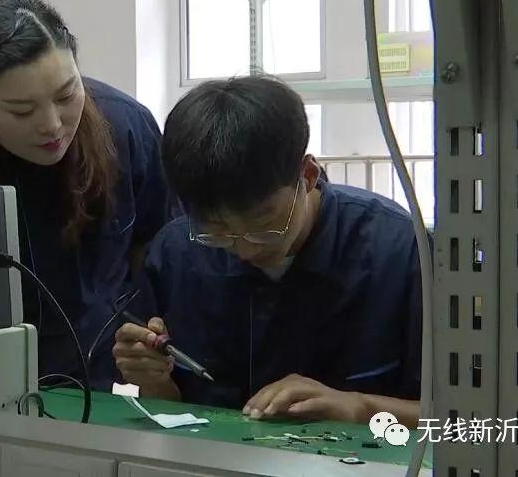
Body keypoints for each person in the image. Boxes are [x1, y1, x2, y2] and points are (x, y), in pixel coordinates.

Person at [0, 0, 178, 389]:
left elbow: (163, 248)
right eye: (22, 111)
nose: (52, 125)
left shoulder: (125, 126)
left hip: (103, 378)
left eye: (66, 95)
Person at [113, 75, 423, 427]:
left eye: (263, 224)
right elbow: (174, 412)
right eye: (218, 231)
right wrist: (154, 379)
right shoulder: (177, 253)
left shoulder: (397, 251)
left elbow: (461, 420)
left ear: (307, 175)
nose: (245, 250)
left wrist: (359, 407)